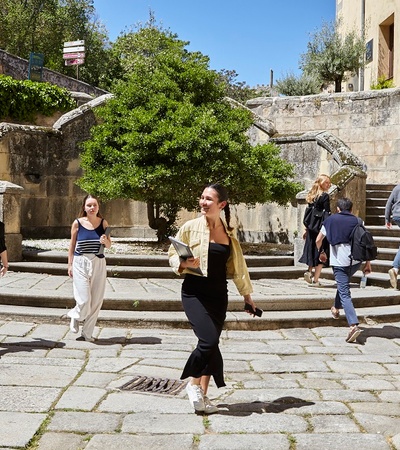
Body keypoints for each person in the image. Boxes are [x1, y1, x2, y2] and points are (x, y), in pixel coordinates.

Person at [168, 183, 258, 414]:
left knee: (211, 345)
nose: (203, 203)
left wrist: (247, 297)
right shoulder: (190, 227)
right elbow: (171, 254)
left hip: (219, 295)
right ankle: (192, 384)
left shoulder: (229, 232)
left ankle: (203, 398)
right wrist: (183, 263)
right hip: (194, 292)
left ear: (222, 205)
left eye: (209, 199)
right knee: (208, 341)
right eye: (202, 198)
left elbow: (239, 267)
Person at [315, 197, 372, 343]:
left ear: (338, 209)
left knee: (344, 291)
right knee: (343, 286)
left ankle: (353, 325)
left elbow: (318, 240)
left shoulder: (329, 221)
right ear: (351, 209)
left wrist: (321, 252)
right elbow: (365, 241)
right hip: (356, 261)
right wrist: (368, 263)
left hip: (339, 261)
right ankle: (335, 307)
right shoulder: (358, 221)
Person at [67, 194, 111, 342]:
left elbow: (109, 245)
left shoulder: (104, 223)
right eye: (89, 205)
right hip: (80, 261)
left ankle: (87, 333)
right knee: (84, 299)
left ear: (98, 207)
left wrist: (105, 241)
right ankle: (75, 315)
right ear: (84, 208)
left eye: (95, 205)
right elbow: (72, 245)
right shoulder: (77, 223)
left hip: (98, 262)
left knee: (97, 299)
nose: (92, 208)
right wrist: (70, 264)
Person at [299, 174, 331, 287]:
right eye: (327, 182)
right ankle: (316, 280)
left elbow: (308, 213)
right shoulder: (325, 196)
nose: (329, 185)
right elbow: (327, 213)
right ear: (321, 183)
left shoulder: (312, 196)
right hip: (320, 228)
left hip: (311, 227)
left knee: (311, 249)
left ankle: (309, 271)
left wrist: (306, 229)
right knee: (321, 252)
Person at [385, 184, 400, 289]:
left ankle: (396, 269)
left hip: (396, 215)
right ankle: (395, 268)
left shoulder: (397, 187)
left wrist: (387, 219)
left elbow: (389, 202)